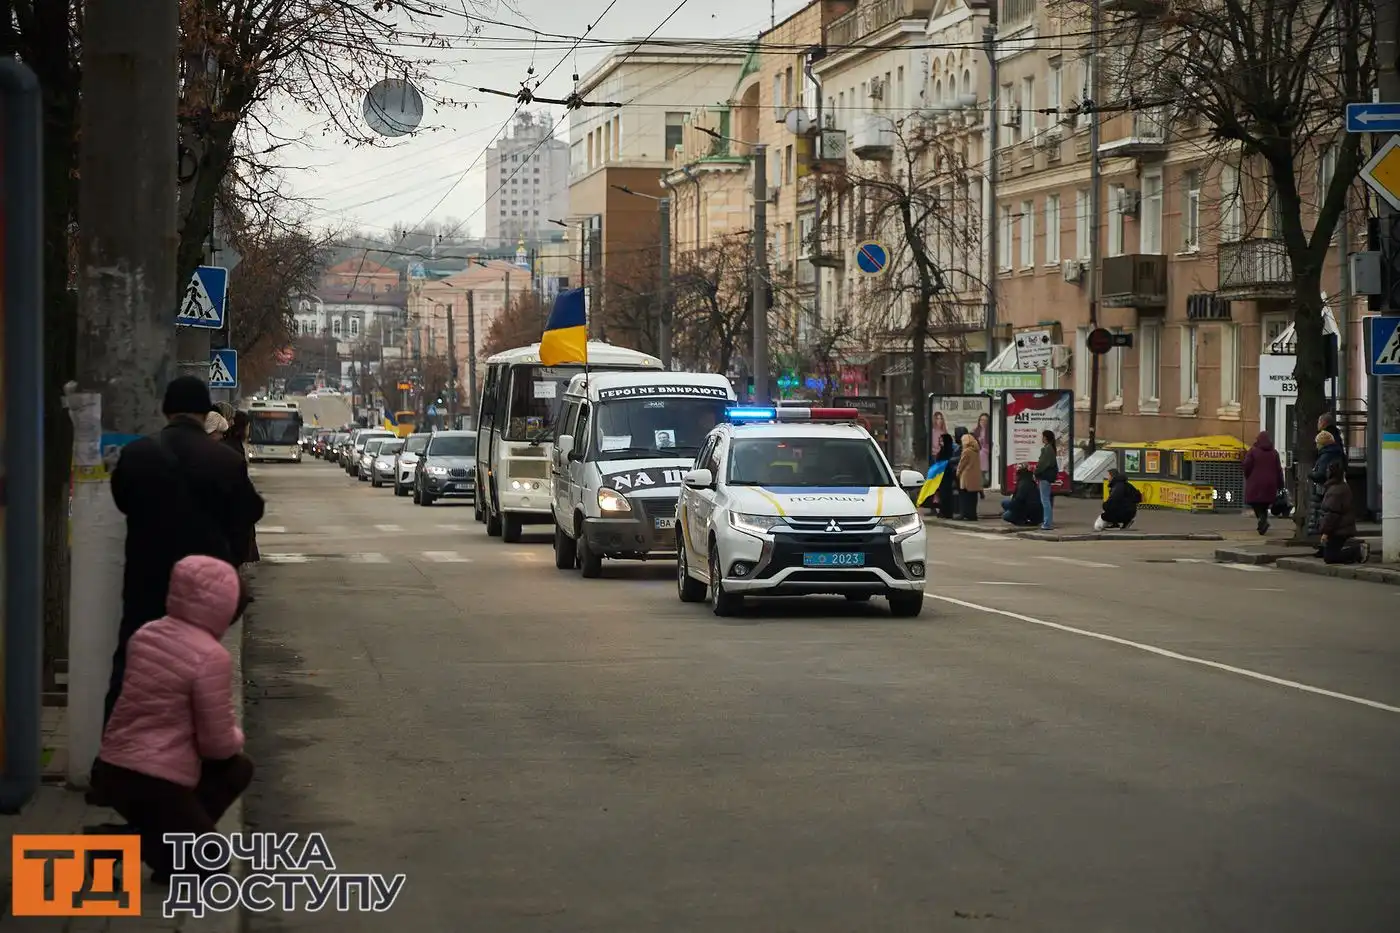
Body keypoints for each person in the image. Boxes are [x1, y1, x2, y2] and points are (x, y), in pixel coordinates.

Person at [105, 376, 264, 726]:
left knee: (131, 665)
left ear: (165, 411)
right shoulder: (224, 461)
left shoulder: (137, 455)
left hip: (146, 582)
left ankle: (117, 749)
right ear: (202, 411)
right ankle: (194, 748)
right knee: (198, 667)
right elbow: (251, 511)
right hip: (203, 589)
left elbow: (121, 501)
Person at [91, 555, 254, 884]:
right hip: (155, 783)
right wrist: (237, 735)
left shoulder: (146, 634)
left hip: (112, 769)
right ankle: (125, 845)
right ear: (223, 606)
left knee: (236, 771)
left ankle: (167, 851)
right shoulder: (210, 656)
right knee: (212, 865)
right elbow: (218, 747)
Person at [1318, 459, 1369, 564]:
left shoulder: (1335, 490)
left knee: (1330, 557)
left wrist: (1326, 532)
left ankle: (1358, 550)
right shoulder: (1340, 487)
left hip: (1339, 529)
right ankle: (1355, 554)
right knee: (1330, 553)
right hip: (1341, 527)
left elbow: (1332, 514)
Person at [1242, 430, 1285, 535]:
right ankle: (1262, 523)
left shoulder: (1253, 451)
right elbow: (1278, 470)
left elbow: (1246, 466)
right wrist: (1281, 484)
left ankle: (1262, 521)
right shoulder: (1274, 453)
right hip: (1270, 484)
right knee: (1265, 504)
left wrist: (1248, 476)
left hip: (1255, 483)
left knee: (1256, 504)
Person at [1307, 430, 1346, 540]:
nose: (1316, 446)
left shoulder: (1325, 456)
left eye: (1318, 443)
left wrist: (1311, 474)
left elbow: (1321, 474)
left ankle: (1321, 542)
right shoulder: (1336, 454)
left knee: (1321, 516)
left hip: (1322, 490)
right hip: (1329, 489)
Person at [1035, 429, 1058, 531]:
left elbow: (1042, 465)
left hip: (1044, 477)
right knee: (1046, 499)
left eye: (1043, 436)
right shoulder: (1050, 448)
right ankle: (1047, 522)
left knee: (1045, 500)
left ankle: (1047, 523)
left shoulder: (1047, 449)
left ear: (1045, 438)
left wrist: (1035, 472)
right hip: (1047, 478)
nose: (1042, 438)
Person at [956, 434, 983, 520]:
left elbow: (962, 464)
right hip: (975, 477)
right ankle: (972, 514)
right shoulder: (976, 450)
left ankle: (964, 514)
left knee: (965, 497)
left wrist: (958, 472)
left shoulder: (966, 451)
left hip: (966, 476)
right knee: (973, 497)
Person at [931, 433, 956, 519]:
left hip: (946, 475)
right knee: (942, 494)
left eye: (942, 441)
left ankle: (947, 512)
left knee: (946, 494)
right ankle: (943, 511)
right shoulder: (942, 450)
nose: (940, 442)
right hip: (940, 475)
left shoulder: (949, 451)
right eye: (940, 441)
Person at [973, 412, 991, 489]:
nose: (983, 422)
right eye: (981, 420)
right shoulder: (976, 430)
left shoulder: (990, 431)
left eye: (985, 420)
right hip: (978, 452)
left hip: (986, 452)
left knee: (982, 453)